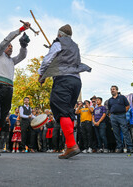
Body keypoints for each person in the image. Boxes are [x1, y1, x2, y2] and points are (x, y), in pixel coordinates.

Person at [38, 24, 91, 159]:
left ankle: (72, 145)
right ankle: (69, 145)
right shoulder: (75, 46)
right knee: (66, 110)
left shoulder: (58, 43)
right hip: (76, 81)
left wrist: (41, 75)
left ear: (60, 34)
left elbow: (47, 60)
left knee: (60, 108)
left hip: (63, 80)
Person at [0, 22, 31, 159]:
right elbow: (7, 39)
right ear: (3, 48)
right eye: (9, 46)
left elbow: (22, 56)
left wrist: (24, 46)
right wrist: (21, 30)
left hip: (7, 90)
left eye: (12, 47)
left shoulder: (11, 61)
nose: (10, 47)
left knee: (1, 120)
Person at [108, 85, 133, 153]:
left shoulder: (122, 97)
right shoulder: (110, 100)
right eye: (111, 89)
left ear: (117, 90)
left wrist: (123, 112)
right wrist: (111, 116)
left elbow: (127, 106)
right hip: (113, 117)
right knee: (116, 132)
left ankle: (129, 147)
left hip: (121, 116)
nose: (112, 90)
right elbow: (110, 109)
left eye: (113, 89)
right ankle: (119, 147)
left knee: (125, 131)